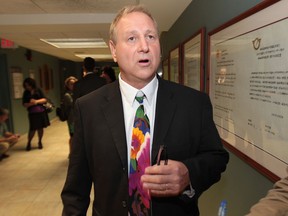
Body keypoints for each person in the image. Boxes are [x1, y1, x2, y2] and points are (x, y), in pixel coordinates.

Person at [61, 5, 229, 216]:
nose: (144, 46)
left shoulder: (193, 103)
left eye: (151, 36)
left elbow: (216, 157)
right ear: (113, 50)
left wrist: (189, 174)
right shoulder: (88, 108)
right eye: (132, 38)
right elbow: (76, 190)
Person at [22, 77, 50, 151]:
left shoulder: (38, 90)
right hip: (32, 113)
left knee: (40, 128)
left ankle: (40, 142)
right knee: (32, 129)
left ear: (32, 84)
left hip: (41, 112)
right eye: (26, 86)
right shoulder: (26, 93)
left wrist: (36, 101)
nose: (27, 87)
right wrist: (30, 104)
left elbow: (45, 99)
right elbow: (24, 104)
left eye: (28, 85)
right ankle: (29, 142)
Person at [63, 76, 78, 157]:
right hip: (72, 120)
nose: (73, 85)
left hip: (78, 118)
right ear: (67, 85)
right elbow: (74, 104)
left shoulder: (76, 93)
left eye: (75, 84)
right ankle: (71, 153)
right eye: (71, 84)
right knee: (73, 137)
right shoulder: (67, 95)